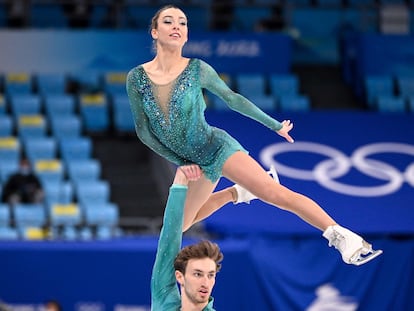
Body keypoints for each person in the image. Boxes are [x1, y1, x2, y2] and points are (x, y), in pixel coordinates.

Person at [126, 5, 382, 266]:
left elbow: (233, 99)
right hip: (193, 162)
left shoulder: (197, 69)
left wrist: (274, 125)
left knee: (274, 193)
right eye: (169, 22)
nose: (177, 26)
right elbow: (143, 130)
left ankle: (340, 235)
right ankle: (236, 194)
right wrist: (181, 161)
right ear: (155, 32)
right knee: (177, 228)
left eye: (183, 22)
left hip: (215, 147)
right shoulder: (137, 78)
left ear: (187, 34)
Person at [152, 165, 223, 311]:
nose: (205, 283)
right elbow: (169, 239)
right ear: (180, 277)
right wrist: (180, 180)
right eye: (198, 274)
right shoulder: (164, 303)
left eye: (211, 275)